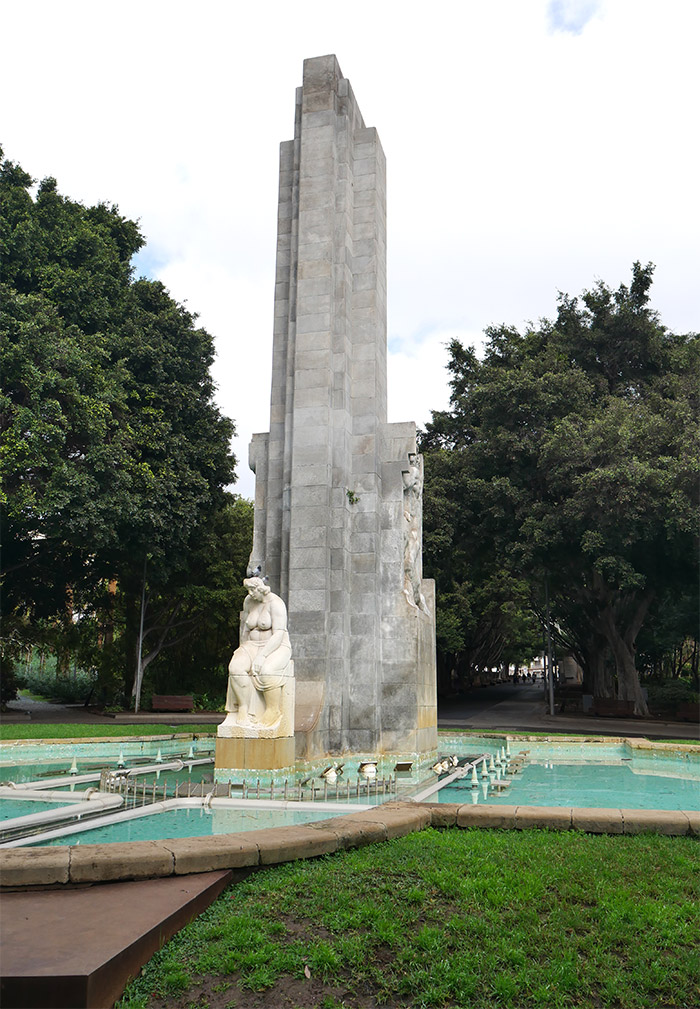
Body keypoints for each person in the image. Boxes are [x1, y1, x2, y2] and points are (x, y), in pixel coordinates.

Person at [226, 577, 292, 727]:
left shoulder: (276, 603)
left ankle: (273, 710)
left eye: (252, 590)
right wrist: (242, 649)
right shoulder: (248, 601)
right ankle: (243, 708)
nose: (250, 593)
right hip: (251, 645)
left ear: (261, 588)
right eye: (248, 590)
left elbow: (279, 634)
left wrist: (262, 656)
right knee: (235, 668)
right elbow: (245, 629)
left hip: (276, 645)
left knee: (267, 670)